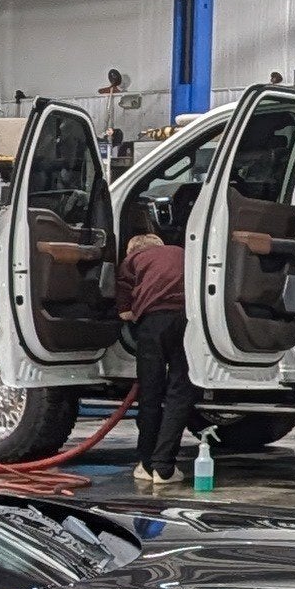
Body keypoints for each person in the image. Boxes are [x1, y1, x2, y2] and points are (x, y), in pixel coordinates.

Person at [113, 195, 194, 487]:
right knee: (179, 392)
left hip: (152, 324)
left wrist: (128, 312)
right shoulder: (182, 252)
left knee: (151, 394)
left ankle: (146, 464)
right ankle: (165, 467)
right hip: (187, 320)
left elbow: (123, 296)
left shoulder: (133, 259)